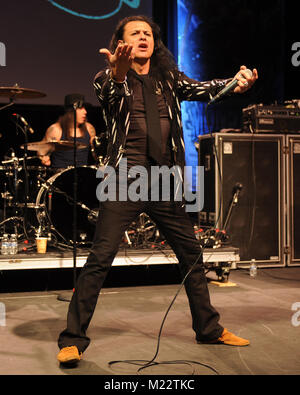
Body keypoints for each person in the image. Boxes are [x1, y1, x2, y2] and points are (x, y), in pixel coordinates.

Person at [57, 15, 258, 365]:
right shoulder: (108, 77)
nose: (144, 37)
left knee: (192, 256)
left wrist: (234, 84)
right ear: (121, 41)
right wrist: (118, 71)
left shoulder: (168, 77)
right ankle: (73, 339)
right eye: (135, 33)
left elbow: (203, 89)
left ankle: (208, 329)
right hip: (124, 179)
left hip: (164, 180)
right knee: (100, 258)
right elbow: (110, 90)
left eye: (148, 33)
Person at [39, 93, 96, 169]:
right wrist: (44, 158)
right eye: (81, 108)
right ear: (70, 112)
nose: (85, 112)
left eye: (84, 108)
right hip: (61, 176)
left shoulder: (89, 128)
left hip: (83, 175)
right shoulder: (56, 129)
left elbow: (96, 151)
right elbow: (41, 151)